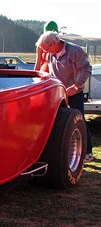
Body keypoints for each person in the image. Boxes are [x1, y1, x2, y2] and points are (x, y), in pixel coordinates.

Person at [36, 31, 93, 162]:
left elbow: (86, 68)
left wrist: (76, 86)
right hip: (58, 94)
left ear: (54, 43)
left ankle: (87, 151)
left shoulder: (74, 51)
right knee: (60, 122)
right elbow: (44, 70)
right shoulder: (50, 54)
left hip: (74, 93)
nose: (46, 52)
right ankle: (67, 150)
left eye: (46, 48)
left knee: (79, 120)